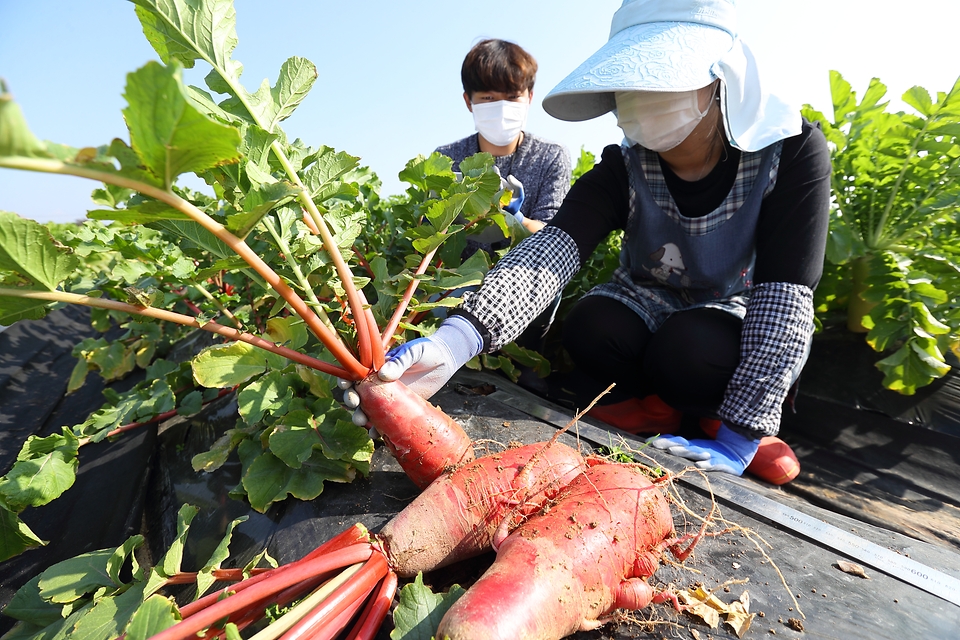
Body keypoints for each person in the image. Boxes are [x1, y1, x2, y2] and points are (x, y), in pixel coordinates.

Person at [349, 0, 831, 483]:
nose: (639, 96)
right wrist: (455, 342)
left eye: (660, 79)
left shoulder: (789, 153)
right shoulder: (626, 164)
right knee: (590, 329)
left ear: (723, 78)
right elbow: (555, 247)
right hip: (643, 296)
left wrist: (743, 432)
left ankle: (726, 416)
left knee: (691, 353)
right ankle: (658, 408)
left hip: (727, 307)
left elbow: (786, 294)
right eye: (630, 85)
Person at [435, 38, 572, 353]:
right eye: (488, 97)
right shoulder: (447, 158)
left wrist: (518, 220)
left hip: (524, 289)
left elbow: (556, 238)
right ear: (469, 102)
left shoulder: (550, 157)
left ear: (529, 98)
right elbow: (434, 235)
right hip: (456, 285)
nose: (501, 108)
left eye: (512, 97)